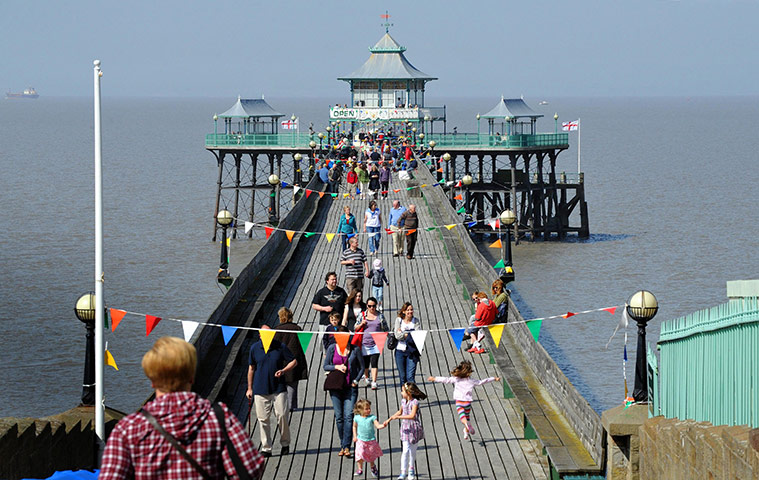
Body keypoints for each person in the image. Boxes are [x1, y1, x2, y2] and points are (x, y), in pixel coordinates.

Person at [100, 337, 265, 479]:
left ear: (152, 380)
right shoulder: (219, 418)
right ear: (192, 376)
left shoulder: (128, 429)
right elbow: (251, 469)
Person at [246, 325, 297, 457]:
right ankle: (266, 447)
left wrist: (284, 370)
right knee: (263, 419)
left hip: (278, 388)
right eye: (265, 334)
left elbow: (294, 361)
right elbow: (251, 369)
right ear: (260, 335)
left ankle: (285, 443)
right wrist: (249, 388)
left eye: (271, 334)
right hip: (260, 388)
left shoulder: (280, 346)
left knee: (282, 416)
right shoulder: (254, 348)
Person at [427, 361, 500, 440]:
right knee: (467, 417)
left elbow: (446, 380)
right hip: (467, 402)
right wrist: (494, 378)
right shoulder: (471, 381)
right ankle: (466, 430)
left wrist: (434, 378)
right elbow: (482, 381)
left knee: (462, 417)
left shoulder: (456, 379)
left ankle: (466, 425)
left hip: (459, 402)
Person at [324, 325, 362, 458]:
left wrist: (356, 380)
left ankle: (346, 446)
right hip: (336, 387)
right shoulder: (332, 349)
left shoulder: (355, 349)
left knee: (348, 416)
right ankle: (342, 443)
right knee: (339, 417)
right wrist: (337, 367)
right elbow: (325, 365)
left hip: (350, 387)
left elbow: (362, 367)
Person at [384, 383, 427, 480]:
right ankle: (403, 472)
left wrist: (399, 417)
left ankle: (411, 470)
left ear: (408, 393)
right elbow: (400, 411)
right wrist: (389, 419)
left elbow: (412, 416)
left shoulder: (415, 402)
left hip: (414, 428)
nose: (401, 393)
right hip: (405, 428)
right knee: (405, 450)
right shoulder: (403, 401)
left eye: (403, 391)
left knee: (412, 451)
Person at [274, 307, 308, 411]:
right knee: (293, 383)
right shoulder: (297, 328)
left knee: (280, 384)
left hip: (281, 359)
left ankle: (280, 405)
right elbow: (302, 343)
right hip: (295, 358)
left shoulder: (277, 330)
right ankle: (291, 406)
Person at [352, 399, 386, 477]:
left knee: (371, 455)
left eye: (369, 408)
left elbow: (377, 425)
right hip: (360, 440)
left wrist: (383, 425)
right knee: (359, 454)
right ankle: (360, 469)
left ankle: (372, 466)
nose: (368, 410)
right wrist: (355, 436)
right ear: (360, 410)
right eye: (366, 409)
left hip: (371, 440)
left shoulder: (372, 417)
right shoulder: (357, 418)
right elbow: (354, 426)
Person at [359, 297, 386, 390]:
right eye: (369, 306)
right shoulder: (362, 315)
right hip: (364, 342)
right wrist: (361, 324)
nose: (372, 308)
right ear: (366, 306)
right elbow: (355, 328)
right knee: (366, 363)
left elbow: (385, 328)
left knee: (374, 362)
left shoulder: (380, 316)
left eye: (373, 306)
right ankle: (367, 377)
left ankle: (374, 382)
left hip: (376, 342)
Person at [393, 302, 422, 387]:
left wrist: (404, 334)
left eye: (411, 309)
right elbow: (397, 336)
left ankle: (412, 398)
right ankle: (405, 398)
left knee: (410, 377)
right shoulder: (399, 320)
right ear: (404, 311)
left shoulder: (415, 321)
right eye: (408, 310)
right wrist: (409, 334)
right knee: (403, 377)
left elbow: (417, 336)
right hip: (400, 351)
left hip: (412, 352)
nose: (410, 311)